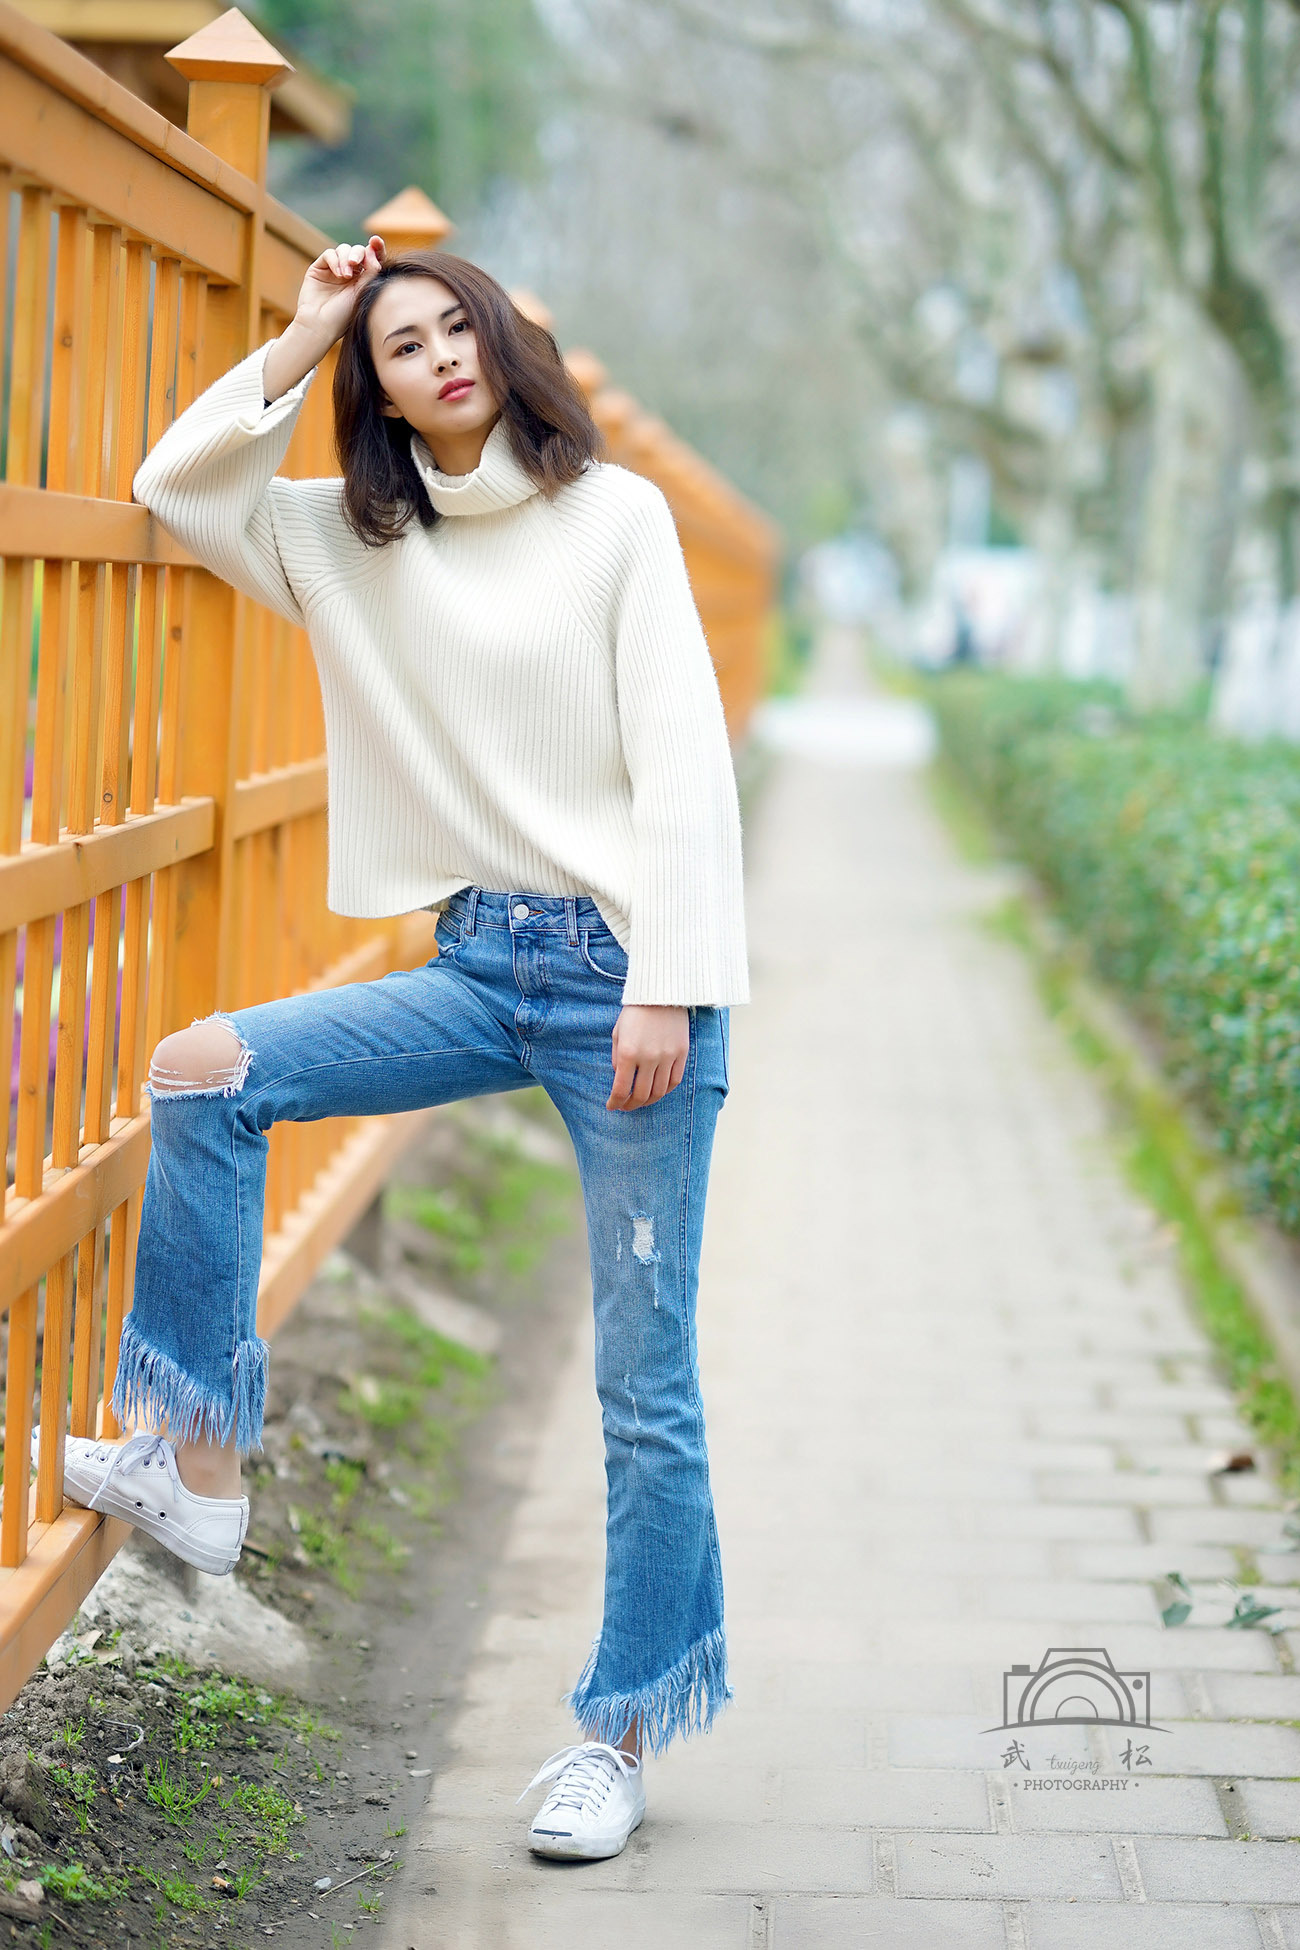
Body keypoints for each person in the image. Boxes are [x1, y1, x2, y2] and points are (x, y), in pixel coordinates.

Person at [38, 237, 748, 1863]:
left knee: (646, 1379)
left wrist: (673, 983)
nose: (433, 356)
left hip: (627, 976)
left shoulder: (615, 519)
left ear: (500, 345)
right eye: (397, 342)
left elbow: (686, 767)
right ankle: (198, 1464)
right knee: (207, 1068)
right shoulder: (353, 537)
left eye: (454, 328)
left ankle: (616, 1732)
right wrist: (296, 337)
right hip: (480, 957)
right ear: (373, 383)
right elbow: (175, 482)